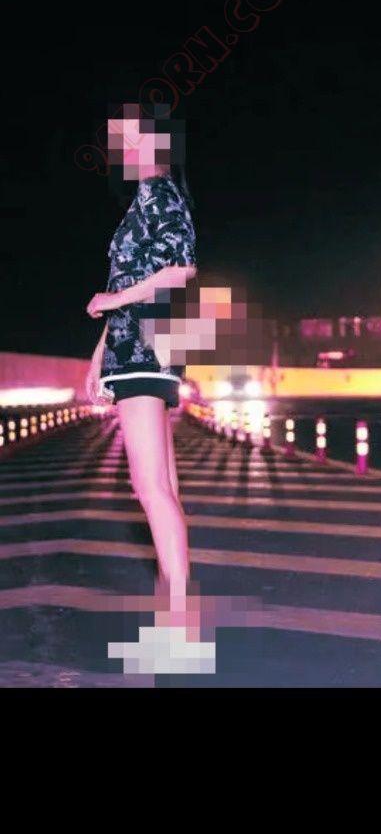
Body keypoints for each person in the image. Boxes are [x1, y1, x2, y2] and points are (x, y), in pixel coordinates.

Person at [85, 107, 198, 638]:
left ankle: (176, 622)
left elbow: (182, 269)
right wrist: (98, 356)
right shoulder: (144, 200)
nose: (120, 151)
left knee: (149, 487)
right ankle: (173, 610)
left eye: (127, 139)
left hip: (145, 350)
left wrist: (114, 300)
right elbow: (127, 282)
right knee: (162, 487)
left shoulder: (160, 193)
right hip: (133, 349)